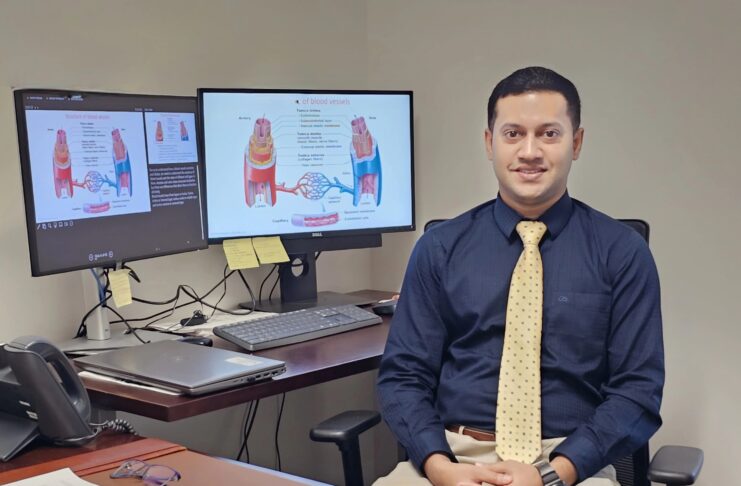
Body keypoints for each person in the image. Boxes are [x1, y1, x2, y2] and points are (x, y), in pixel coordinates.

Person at [375, 67, 664, 486]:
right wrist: (440, 469)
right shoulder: (440, 249)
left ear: (576, 143)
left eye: (549, 134)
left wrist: (551, 475)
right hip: (453, 457)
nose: (530, 151)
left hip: (570, 465)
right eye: (513, 134)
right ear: (490, 143)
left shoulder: (621, 252)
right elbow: (403, 376)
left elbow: (638, 390)